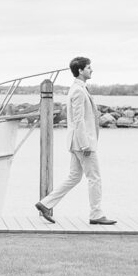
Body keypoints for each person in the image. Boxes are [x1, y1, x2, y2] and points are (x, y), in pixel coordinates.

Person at [34, 57, 116, 225]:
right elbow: (78, 120)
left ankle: (45, 203)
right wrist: (85, 144)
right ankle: (96, 214)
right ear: (80, 70)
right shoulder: (78, 91)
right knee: (95, 178)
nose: (91, 70)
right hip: (82, 143)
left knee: (74, 177)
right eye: (88, 68)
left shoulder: (79, 89)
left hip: (76, 142)